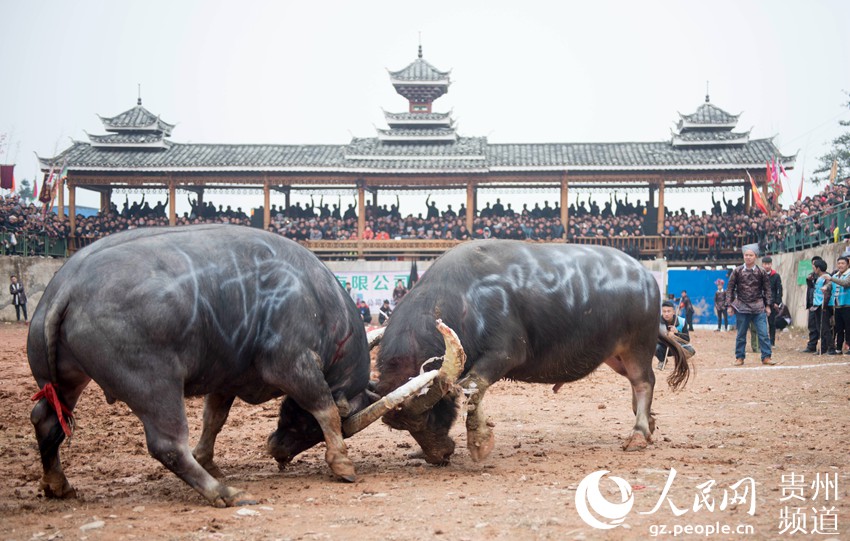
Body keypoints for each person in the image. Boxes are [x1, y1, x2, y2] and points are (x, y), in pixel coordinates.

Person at [726, 244, 776, 366]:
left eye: (750, 255)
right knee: (741, 334)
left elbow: (767, 289)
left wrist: (768, 305)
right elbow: (730, 288)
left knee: (763, 334)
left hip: (758, 307)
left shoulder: (761, 271)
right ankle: (739, 357)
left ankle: (766, 357)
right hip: (742, 306)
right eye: (746, 255)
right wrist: (730, 305)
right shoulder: (737, 271)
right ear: (743, 256)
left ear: (755, 256)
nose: (748, 257)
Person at [822, 255, 850, 354]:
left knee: (848, 327)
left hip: (847, 305)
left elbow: (846, 283)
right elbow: (830, 285)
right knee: (838, 328)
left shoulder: (848, 274)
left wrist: (831, 279)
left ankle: (849, 347)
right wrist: (826, 287)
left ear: (847, 264)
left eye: (843, 263)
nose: (840, 265)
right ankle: (838, 348)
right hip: (838, 305)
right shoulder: (835, 275)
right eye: (839, 263)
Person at [655, 301, 695, 369]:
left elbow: (687, 340)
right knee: (654, 346)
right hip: (664, 347)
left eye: (668, 311)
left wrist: (677, 333)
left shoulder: (682, 321)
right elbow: (653, 339)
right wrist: (666, 337)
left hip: (677, 347)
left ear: (673, 312)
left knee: (690, 350)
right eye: (664, 311)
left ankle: (680, 361)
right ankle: (662, 360)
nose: (666, 314)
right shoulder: (657, 322)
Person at [808, 259, 837, 355]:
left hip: (823, 306)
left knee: (825, 328)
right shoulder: (818, 277)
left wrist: (824, 306)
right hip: (817, 305)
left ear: (818, 268)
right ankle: (823, 348)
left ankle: (831, 348)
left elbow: (828, 291)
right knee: (819, 328)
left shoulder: (826, 278)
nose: (813, 269)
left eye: (814, 267)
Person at [802, 256, 825, 353]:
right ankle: (812, 345)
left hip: (820, 304)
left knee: (821, 326)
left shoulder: (823, 276)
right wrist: (808, 281)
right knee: (812, 326)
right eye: (813, 264)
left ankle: (824, 346)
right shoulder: (811, 276)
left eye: (816, 264)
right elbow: (811, 290)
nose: (814, 266)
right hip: (812, 304)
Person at [761, 256, 783, 347]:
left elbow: (779, 290)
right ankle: (762, 341)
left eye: (768, 264)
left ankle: (772, 342)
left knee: (772, 322)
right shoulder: (759, 275)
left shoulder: (776, 276)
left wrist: (777, 302)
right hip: (761, 302)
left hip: (772, 302)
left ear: (771, 264)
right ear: (762, 265)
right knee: (761, 322)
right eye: (765, 264)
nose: (767, 266)